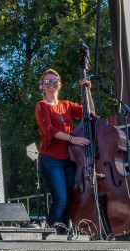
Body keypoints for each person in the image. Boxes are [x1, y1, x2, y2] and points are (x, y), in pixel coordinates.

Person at [35, 68, 94, 232]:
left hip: (69, 160)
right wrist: (72, 139)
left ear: (59, 84)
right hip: (50, 159)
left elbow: (89, 113)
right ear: (43, 85)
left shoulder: (66, 105)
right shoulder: (42, 105)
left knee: (68, 200)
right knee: (60, 198)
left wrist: (87, 90)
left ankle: (63, 235)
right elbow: (49, 130)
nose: (51, 84)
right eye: (47, 81)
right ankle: (50, 235)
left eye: (55, 81)